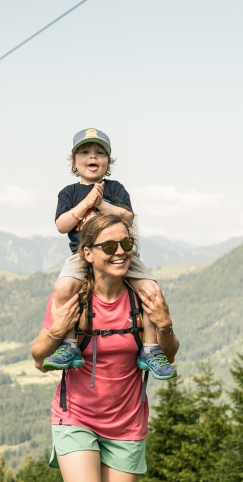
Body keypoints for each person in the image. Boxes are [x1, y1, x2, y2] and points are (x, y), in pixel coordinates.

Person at [32, 210, 178, 482]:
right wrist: (57, 332)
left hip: (127, 422)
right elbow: (39, 359)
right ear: (88, 253)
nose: (120, 253)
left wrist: (165, 326)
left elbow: (168, 355)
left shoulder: (143, 297)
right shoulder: (73, 297)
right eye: (110, 247)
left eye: (126, 245)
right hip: (75, 416)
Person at [41, 129, 175, 381]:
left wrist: (101, 202)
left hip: (122, 252)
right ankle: (69, 346)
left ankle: (150, 349)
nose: (93, 157)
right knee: (63, 287)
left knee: (150, 290)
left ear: (108, 162)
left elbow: (127, 217)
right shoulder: (69, 193)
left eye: (99, 153)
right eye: (85, 152)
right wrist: (87, 202)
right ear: (74, 162)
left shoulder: (114, 188)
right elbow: (61, 225)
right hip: (82, 255)